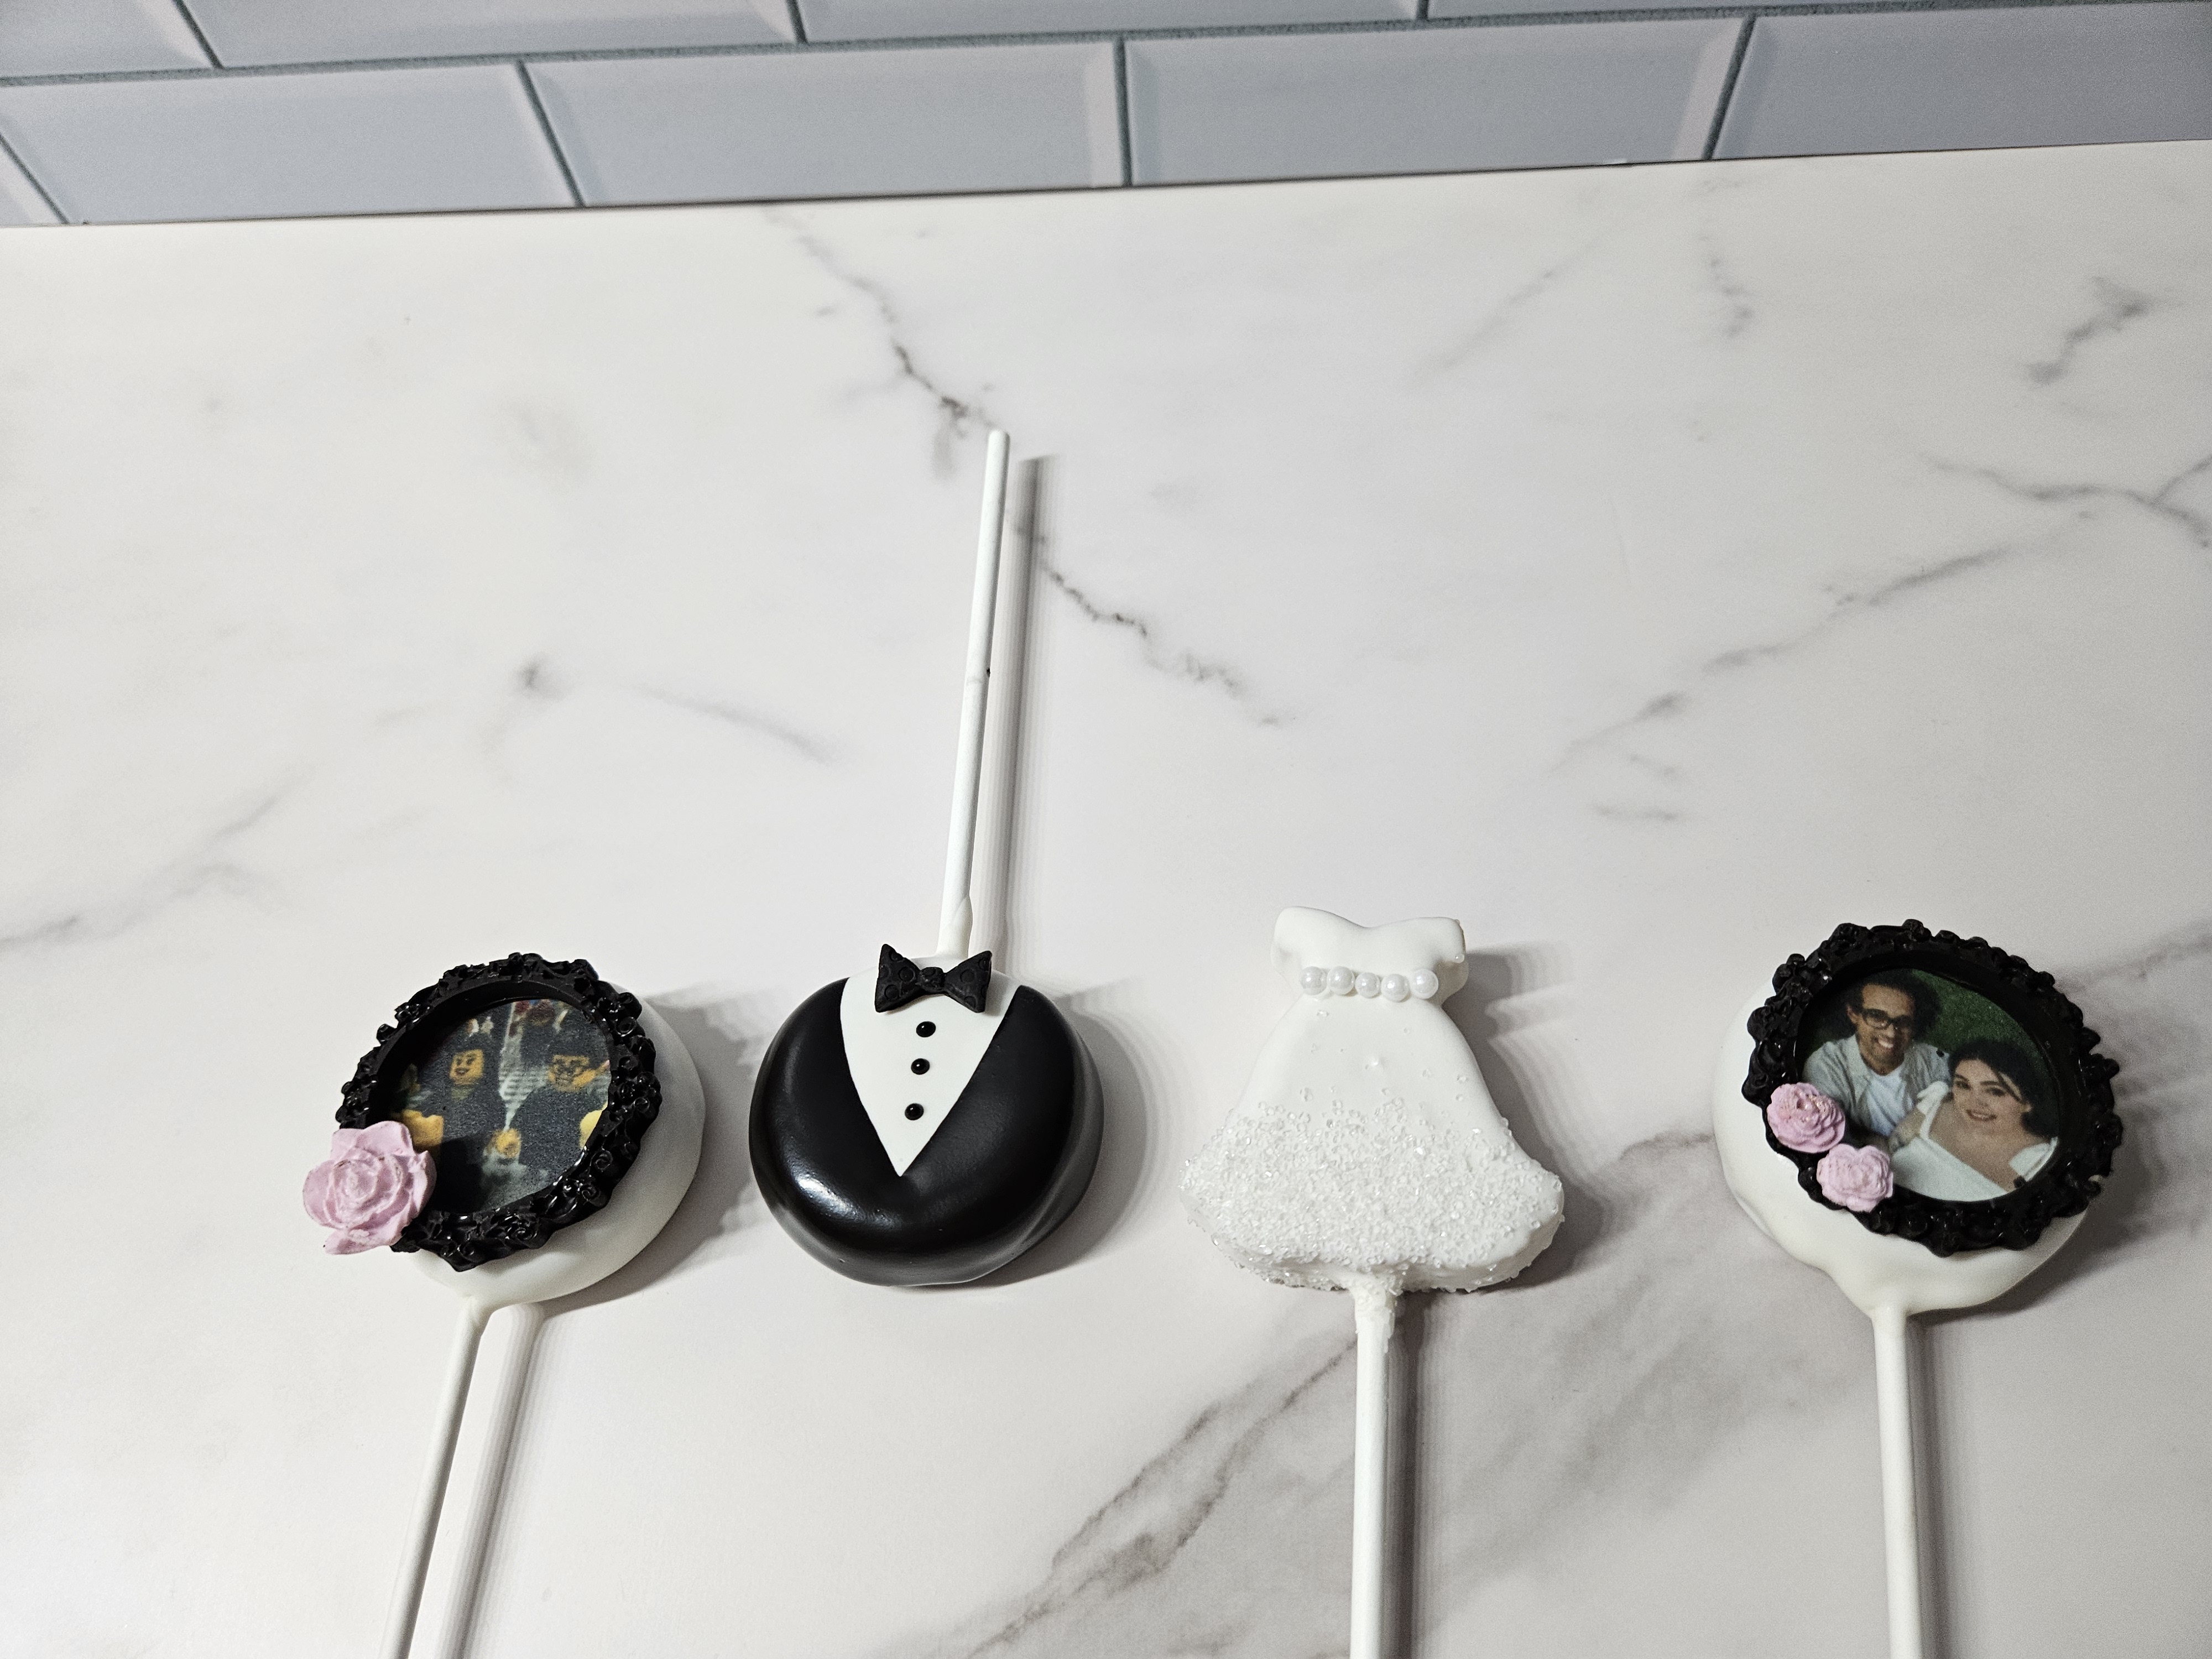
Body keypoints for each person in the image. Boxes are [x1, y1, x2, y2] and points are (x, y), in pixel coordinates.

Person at [1888, 1038, 2059, 1201]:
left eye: (1995, 1091)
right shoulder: (1935, 1103)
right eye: (1964, 1085)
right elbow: (1889, 1150)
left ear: (2028, 1102)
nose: (1974, 1103)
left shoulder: (2040, 1160)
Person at [1802, 974, 1950, 1137]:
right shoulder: (1825, 1065)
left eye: (1903, 1022)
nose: (1891, 1033)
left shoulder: (1934, 1061)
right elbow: (1828, 1134)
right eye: (1877, 1017)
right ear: (1853, 1014)